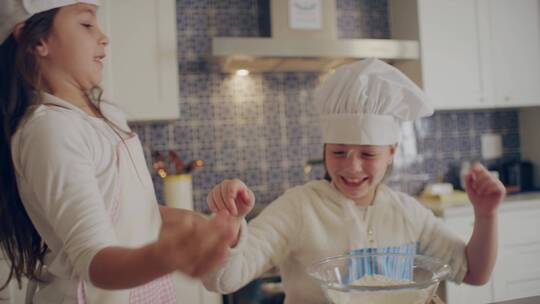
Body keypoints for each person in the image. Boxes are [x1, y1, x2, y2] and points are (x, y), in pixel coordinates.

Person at [202, 58, 506, 303]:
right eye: (338, 152)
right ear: (323, 151)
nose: (352, 166)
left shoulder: (406, 212)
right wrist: (229, 227)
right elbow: (224, 280)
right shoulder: (298, 208)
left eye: (368, 154)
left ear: (391, 152)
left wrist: (486, 214)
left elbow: (474, 273)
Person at [0, 1, 235, 302]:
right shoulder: (51, 130)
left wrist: (195, 224)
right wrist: (166, 256)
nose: (104, 36)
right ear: (37, 41)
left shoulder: (107, 116)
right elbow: (94, 260)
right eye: (86, 24)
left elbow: (126, 212)